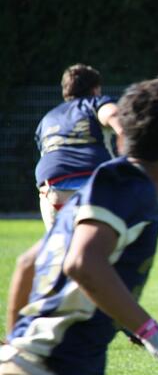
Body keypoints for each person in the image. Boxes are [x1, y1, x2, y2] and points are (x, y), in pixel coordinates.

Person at [0, 71, 158, 375]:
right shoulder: (129, 185)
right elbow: (83, 263)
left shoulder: (98, 189)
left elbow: (27, 263)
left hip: (30, 373)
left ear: (121, 141)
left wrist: (14, 348)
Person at [6, 63, 122, 334]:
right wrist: (126, 140)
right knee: (108, 257)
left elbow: (51, 155)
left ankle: (22, 329)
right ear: (95, 89)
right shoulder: (95, 103)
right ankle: (122, 319)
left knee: (56, 260)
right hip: (90, 188)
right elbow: (113, 114)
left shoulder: (47, 118)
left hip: (51, 192)